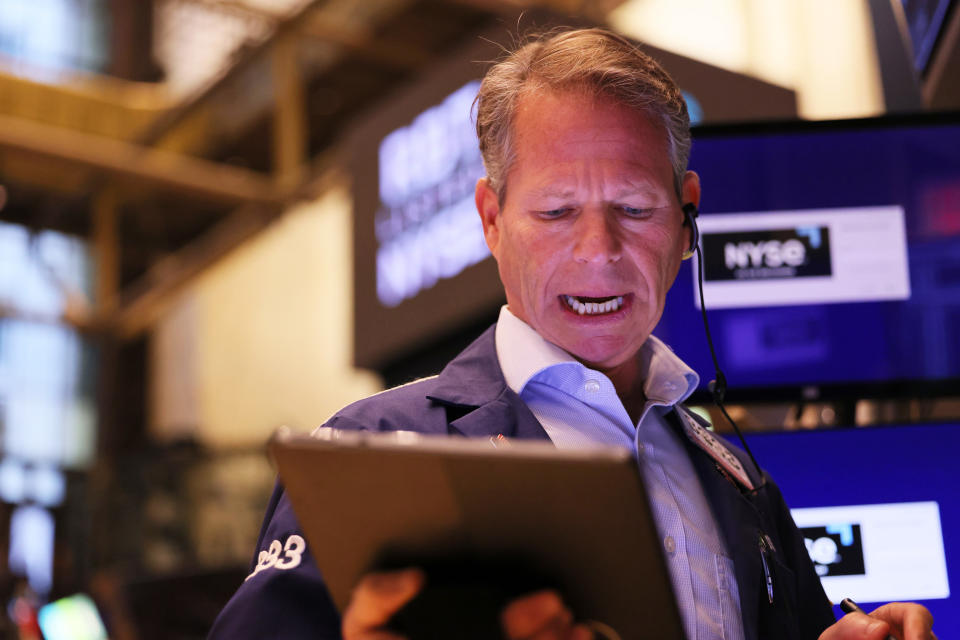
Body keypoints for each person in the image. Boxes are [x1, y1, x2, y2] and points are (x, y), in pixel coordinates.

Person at [210, 28, 935, 640]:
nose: (598, 249)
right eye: (556, 212)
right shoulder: (374, 452)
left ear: (688, 216)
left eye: (634, 206)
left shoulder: (741, 481)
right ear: (492, 221)